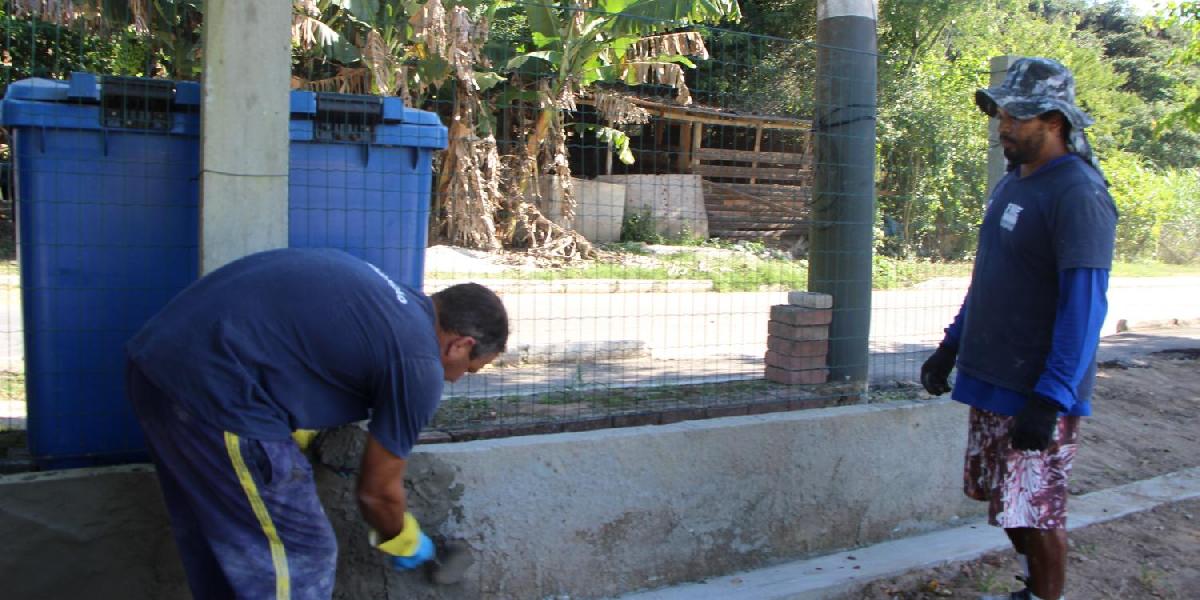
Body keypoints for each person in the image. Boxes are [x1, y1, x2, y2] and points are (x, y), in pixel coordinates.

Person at [125, 247, 509, 599]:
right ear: (461, 345)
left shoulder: (389, 302)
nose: (456, 379)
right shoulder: (420, 363)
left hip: (154, 368)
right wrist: (404, 540)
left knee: (226, 542)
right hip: (217, 395)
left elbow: (301, 350)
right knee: (301, 554)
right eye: (470, 370)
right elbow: (377, 493)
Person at [920, 58, 1118, 600]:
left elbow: (1084, 309)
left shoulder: (1078, 194)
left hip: (1036, 388)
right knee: (1006, 502)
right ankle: (1030, 590)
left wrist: (1050, 397)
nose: (1003, 126)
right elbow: (989, 277)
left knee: (1038, 505)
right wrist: (950, 345)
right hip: (992, 377)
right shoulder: (1015, 182)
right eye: (1001, 114)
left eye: (1017, 117)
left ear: (1055, 122)